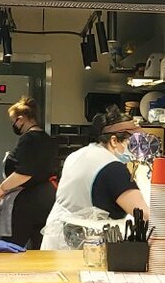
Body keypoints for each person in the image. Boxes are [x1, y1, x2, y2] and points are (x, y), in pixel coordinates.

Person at [41, 107, 150, 250]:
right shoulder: (113, 168)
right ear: (114, 140)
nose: (135, 149)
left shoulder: (77, 155)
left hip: (57, 240)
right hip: (81, 247)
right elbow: (143, 214)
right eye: (131, 142)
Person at [0, 97, 57, 250]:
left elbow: (25, 172)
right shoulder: (47, 139)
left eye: (14, 121)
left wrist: (1, 189)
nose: (14, 125)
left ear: (20, 119)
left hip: (27, 201)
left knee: (12, 247)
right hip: (48, 197)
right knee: (41, 247)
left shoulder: (29, 139)